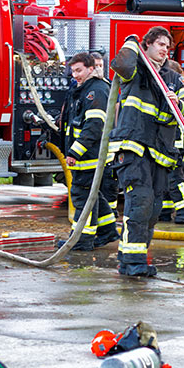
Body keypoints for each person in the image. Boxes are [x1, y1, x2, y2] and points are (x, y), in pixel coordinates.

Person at [109, 26, 184, 277]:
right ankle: (133, 263)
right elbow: (121, 65)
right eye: (159, 44)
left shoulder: (173, 78)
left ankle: (132, 257)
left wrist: (179, 104)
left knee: (154, 208)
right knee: (140, 202)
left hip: (161, 152)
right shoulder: (137, 71)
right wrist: (130, 42)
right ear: (147, 45)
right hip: (135, 147)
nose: (165, 49)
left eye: (167, 46)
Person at [59, 52, 119, 251]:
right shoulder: (82, 89)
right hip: (88, 157)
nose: (75, 75)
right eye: (73, 71)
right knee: (93, 196)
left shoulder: (96, 90)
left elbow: (94, 126)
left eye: (79, 70)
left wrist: (75, 152)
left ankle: (81, 240)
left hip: (90, 157)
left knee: (82, 196)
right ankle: (108, 231)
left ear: (91, 69)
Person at [158, 59, 184, 224]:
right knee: (163, 178)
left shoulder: (175, 89)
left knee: (174, 178)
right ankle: (165, 210)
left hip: (174, 143)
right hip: (163, 142)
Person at [90, 50, 119, 217]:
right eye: (95, 66)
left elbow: (116, 107)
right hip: (93, 143)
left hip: (107, 141)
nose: (99, 69)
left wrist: (115, 131)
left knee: (108, 179)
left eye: (101, 66)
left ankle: (111, 210)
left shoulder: (107, 85)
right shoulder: (82, 87)